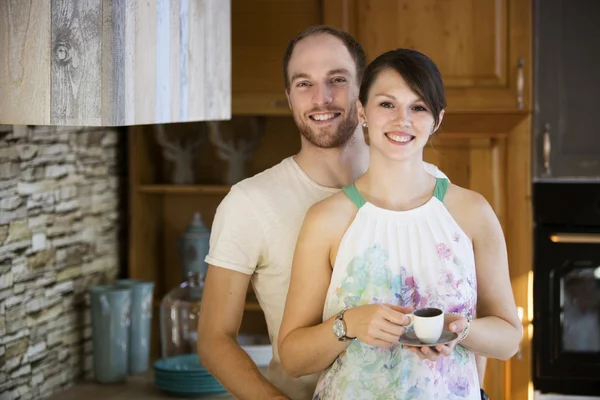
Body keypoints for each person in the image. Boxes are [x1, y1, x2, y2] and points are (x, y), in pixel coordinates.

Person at [197, 25, 485, 400]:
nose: (323, 98)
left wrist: (473, 389)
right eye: (304, 84)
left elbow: (467, 312)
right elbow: (214, 339)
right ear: (288, 97)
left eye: (337, 79)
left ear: (363, 90)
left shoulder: (433, 187)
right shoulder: (249, 202)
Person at [277, 48, 522, 399]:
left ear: (437, 119)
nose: (402, 120)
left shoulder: (472, 212)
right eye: (387, 104)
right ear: (362, 111)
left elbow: (509, 340)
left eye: (418, 107)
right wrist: (349, 325)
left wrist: (459, 330)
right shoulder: (326, 219)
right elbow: (292, 357)